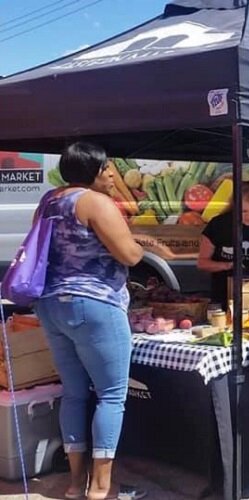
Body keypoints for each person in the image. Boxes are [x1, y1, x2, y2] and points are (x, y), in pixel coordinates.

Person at [33, 142, 147, 500]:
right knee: (112, 396)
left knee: (74, 393)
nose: (113, 175)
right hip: (95, 304)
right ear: (96, 171)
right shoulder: (96, 202)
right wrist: (142, 246)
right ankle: (101, 488)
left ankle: (74, 484)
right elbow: (128, 254)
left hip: (52, 305)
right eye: (109, 169)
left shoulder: (50, 200)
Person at [197, 181, 249, 308]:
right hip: (223, 295)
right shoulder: (218, 225)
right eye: (244, 211)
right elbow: (202, 263)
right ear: (235, 206)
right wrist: (228, 265)